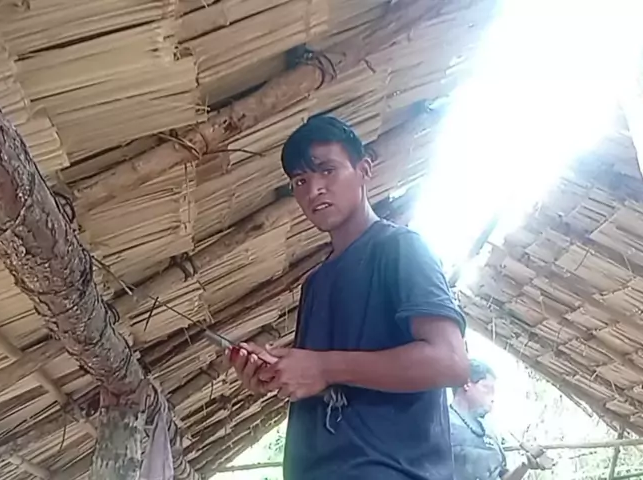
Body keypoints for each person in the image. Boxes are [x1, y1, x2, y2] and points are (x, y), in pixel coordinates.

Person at [227, 115, 470, 479]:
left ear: (364, 170)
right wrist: (276, 371)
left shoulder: (401, 248)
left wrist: (323, 367)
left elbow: (450, 361)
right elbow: (325, 381)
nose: (314, 190)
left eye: (327, 171)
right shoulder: (316, 282)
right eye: (300, 181)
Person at [450, 359, 549, 480]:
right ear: (467, 384)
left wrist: (525, 465)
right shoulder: (442, 424)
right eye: (487, 389)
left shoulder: (490, 431)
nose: (492, 398)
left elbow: (502, 477)